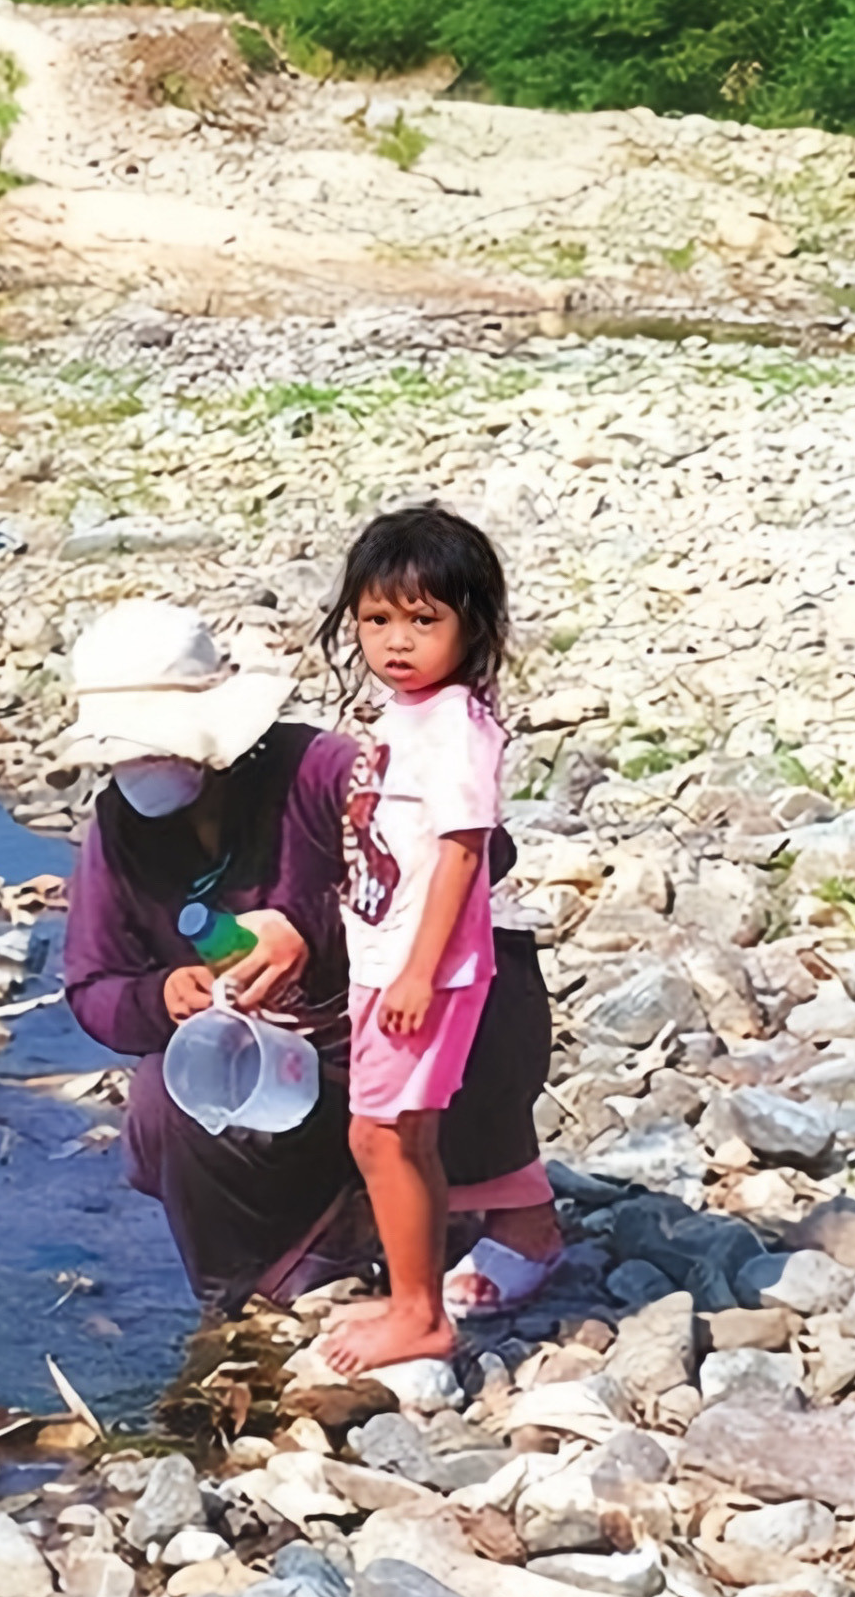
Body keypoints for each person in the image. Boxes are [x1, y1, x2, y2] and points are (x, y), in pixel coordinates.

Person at [49, 588, 562, 1332]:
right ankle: (283, 1280)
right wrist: (168, 996)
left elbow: (475, 851)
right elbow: (94, 983)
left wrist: (317, 930)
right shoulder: (120, 830)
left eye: (157, 748)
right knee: (163, 1100)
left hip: (378, 1019)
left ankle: (516, 1217)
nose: (141, 766)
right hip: (276, 1063)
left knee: (486, 970)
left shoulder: (315, 769)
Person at [312, 505, 556, 1372]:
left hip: (426, 968)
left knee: (385, 1135)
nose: (397, 641)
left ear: (472, 626)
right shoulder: (405, 715)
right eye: (378, 620)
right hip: (388, 957)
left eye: (425, 620)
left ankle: (418, 1312)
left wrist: (417, 971)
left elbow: (463, 851)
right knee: (391, 1133)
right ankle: (413, 1292)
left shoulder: (455, 724)